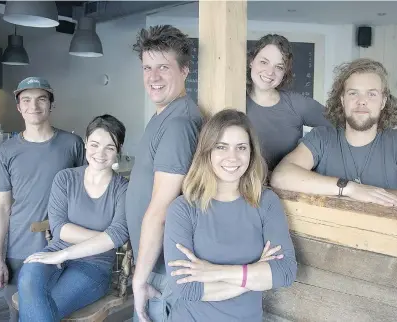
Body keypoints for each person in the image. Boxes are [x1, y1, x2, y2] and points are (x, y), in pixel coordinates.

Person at [164, 109, 297, 322]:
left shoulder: (266, 202)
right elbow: (186, 288)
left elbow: (285, 272)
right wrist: (254, 274)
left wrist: (214, 272)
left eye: (241, 148)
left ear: (251, 153)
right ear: (207, 152)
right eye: (221, 147)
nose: (232, 157)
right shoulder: (183, 209)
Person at [16, 114, 129, 321]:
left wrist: (66, 254)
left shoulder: (122, 189)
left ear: (118, 150)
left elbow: (119, 234)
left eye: (110, 147)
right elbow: (60, 229)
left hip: (93, 267)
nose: (100, 153)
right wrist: (105, 239)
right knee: (28, 278)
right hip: (55, 252)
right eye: (94, 144)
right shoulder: (65, 178)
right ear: (86, 143)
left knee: (44, 306)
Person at [271, 58, 397, 207]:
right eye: (353, 93)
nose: (362, 101)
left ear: (383, 102)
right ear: (343, 100)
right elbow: (281, 176)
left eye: (371, 94)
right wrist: (350, 189)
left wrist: (378, 194)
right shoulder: (321, 138)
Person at [0, 77, 85, 322]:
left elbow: (86, 197)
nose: (33, 106)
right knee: (19, 314)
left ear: (51, 104)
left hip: (65, 249)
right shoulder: (5, 152)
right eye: (26, 100)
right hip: (19, 250)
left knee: (61, 314)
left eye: (41, 99)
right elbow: (1, 207)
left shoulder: (73, 145)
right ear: (19, 107)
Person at [127, 25, 203, 322]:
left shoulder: (178, 124)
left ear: (184, 70)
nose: (153, 77)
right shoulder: (163, 114)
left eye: (163, 67)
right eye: (147, 68)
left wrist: (139, 278)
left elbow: (160, 211)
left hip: (160, 273)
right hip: (154, 266)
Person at [246, 34, 331, 172]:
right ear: (251, 61)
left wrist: (310, 150)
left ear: (285, 72)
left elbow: (339, 125)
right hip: (246, 188)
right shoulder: (234, 101)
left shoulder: (297, 104)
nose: (270, 72)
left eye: (279, 67)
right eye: (264, 62)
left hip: (287, 190)